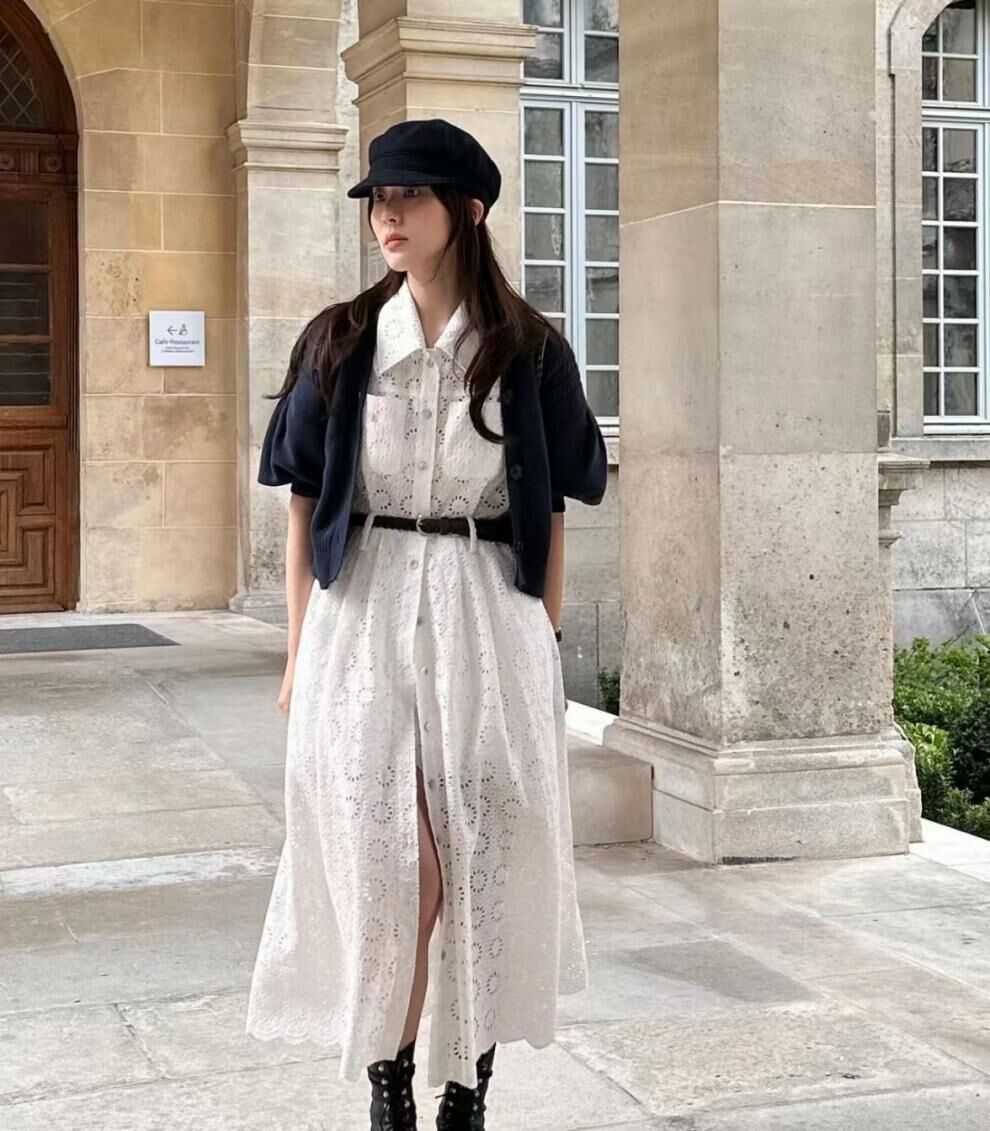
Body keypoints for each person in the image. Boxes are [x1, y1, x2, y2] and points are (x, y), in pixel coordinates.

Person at [244, 118, 608, 1131]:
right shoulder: (341, 339)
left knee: (483, 856)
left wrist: (544, 643)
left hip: (487, 618)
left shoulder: (529, 351)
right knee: (396, 863)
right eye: (378, 199)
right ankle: (390, 1082)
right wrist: (298, 651)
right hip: (361, 617)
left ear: (469, 209)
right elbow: (304, 502)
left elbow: (554, 508)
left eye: (409, 196)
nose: (387, 215)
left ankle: (467, 1088)